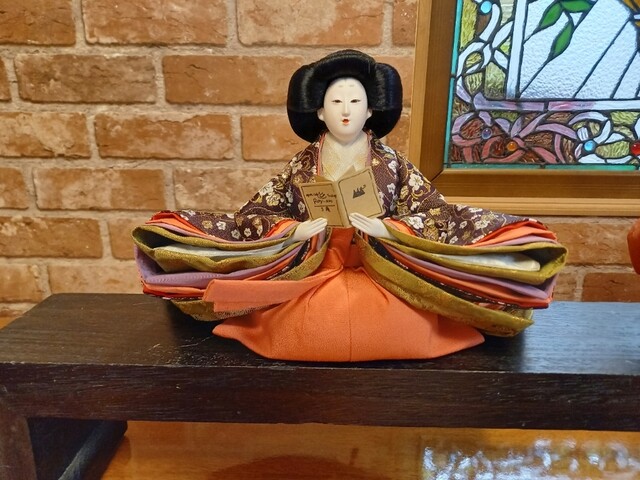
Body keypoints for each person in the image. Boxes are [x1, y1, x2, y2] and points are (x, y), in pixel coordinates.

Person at [133, 50, 566, 361]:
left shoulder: (392, 163)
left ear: (371, 110)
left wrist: (390, 229)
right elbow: (257, 214)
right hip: (318, 265)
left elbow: (435, 211)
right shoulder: (302, 164)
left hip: (382, 266)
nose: (346, 110)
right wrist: (293, 230)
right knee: (298, 326)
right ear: (319, 113)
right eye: (336, 102)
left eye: (355, 101)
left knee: (404, 325)